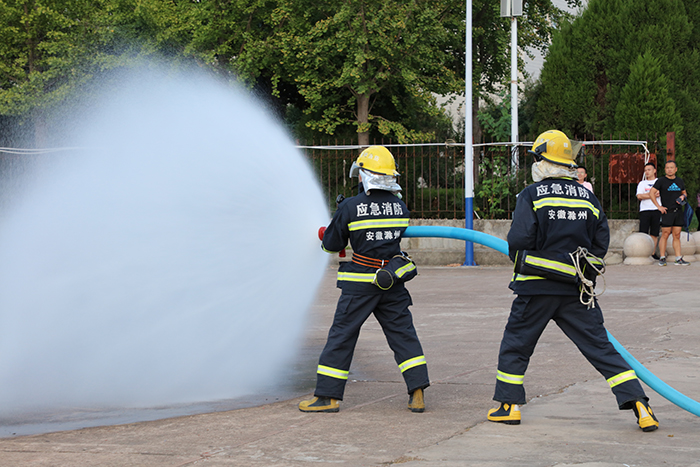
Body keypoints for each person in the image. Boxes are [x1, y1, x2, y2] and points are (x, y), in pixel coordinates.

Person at [486, 130, 659, 432]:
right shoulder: (588, 197)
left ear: (542, 161)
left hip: (536, 289)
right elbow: (600, 242)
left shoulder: (531, 195)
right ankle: (640, 405)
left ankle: (508, 406)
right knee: (601, 348)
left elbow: (519, 240)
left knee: (517, 344)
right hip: (577, 290)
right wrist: (576, 268)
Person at [299, 145, 429, 413]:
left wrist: (332, 226)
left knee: (342, 336)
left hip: (360, 285)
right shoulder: (399, 207)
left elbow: (332, 245)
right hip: (392, 280)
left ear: (364, 174)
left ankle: (327, 397)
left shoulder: (350, 206)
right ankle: (417, 393)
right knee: (403, 335)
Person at [648, 160, 689, 266]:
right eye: (667, 168)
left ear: (676, 169)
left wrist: (682, 196)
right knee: (665, 234)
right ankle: (662, 258)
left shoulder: (679, 181)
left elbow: (684, 192)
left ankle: (678, 258)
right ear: (665, 169)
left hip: (678, 211)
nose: (669, 170)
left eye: (671, 167)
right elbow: (651, 193)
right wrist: (658, 206)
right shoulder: (661, 181)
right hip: (667, 211)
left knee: (677, 235)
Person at [636, 162, 661, 259]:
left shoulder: (659, 182)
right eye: (645, 170)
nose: (647, 172)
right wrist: (652, 195)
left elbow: (660, 194)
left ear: (654, 171)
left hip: (656, 209)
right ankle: (643, 252)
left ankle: (653, 253)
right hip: (645, 210)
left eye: (649, 170)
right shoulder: (642, 183)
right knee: (643, 232)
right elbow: (639, 196)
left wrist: (647, 195)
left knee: (654, 233)